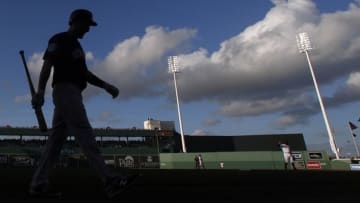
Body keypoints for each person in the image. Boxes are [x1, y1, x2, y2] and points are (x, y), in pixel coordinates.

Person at [29, 9, 138, 199]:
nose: (88, 29)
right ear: (76, 22)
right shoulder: (60, 39)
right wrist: (40, 91)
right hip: (65, 91)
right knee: (84, 132)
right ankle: (110, 180)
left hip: (74, 93)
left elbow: (84, 74)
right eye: (87, 25)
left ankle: (38, 183)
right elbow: (47, 66)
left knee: (55, 141)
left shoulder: (77, 47)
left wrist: (105, 85)